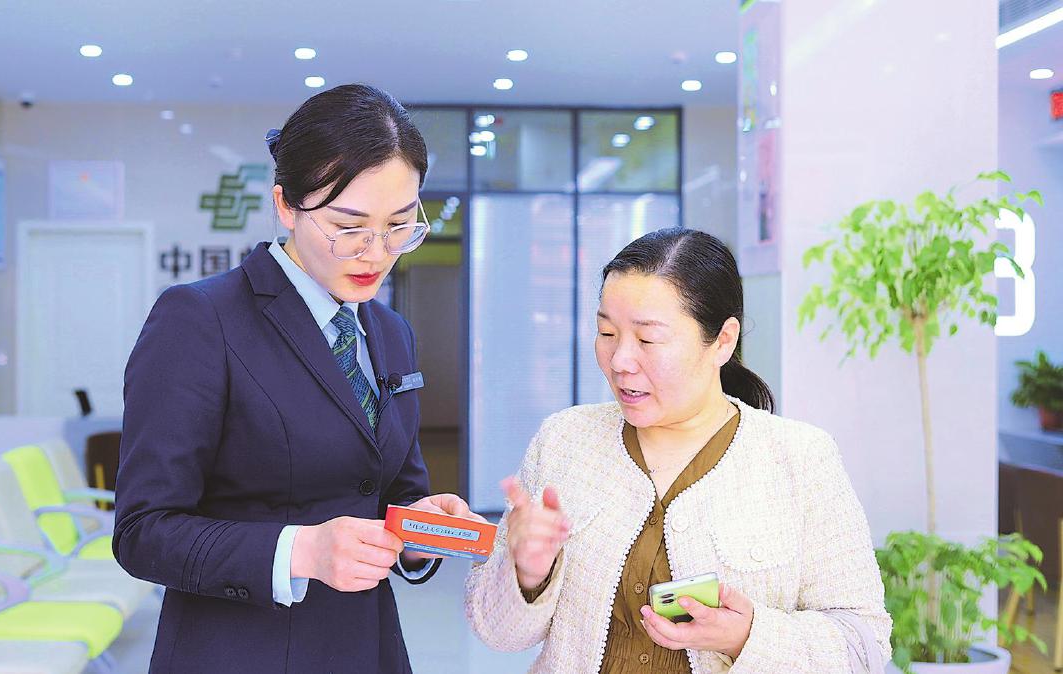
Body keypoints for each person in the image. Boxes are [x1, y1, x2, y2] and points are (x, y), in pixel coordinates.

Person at [115, 83, 482, 673]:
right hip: (237, 653)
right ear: (286, 205)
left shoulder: (389, 330)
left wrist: (421, 530)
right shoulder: (200, 319)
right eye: (349, 225)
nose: (376, 253)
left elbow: (393, 491)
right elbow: (143, 532)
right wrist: (302, 550)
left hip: (367, 647)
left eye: (399, 225)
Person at [464, 228, 892, 673]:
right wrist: (526, 574)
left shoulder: (800, 459)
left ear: (723, 340)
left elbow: (863, 648)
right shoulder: (563, 441)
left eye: (648, 340)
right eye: (606, 332)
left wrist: (746, 637)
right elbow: (496, 631)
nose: (619, 360)